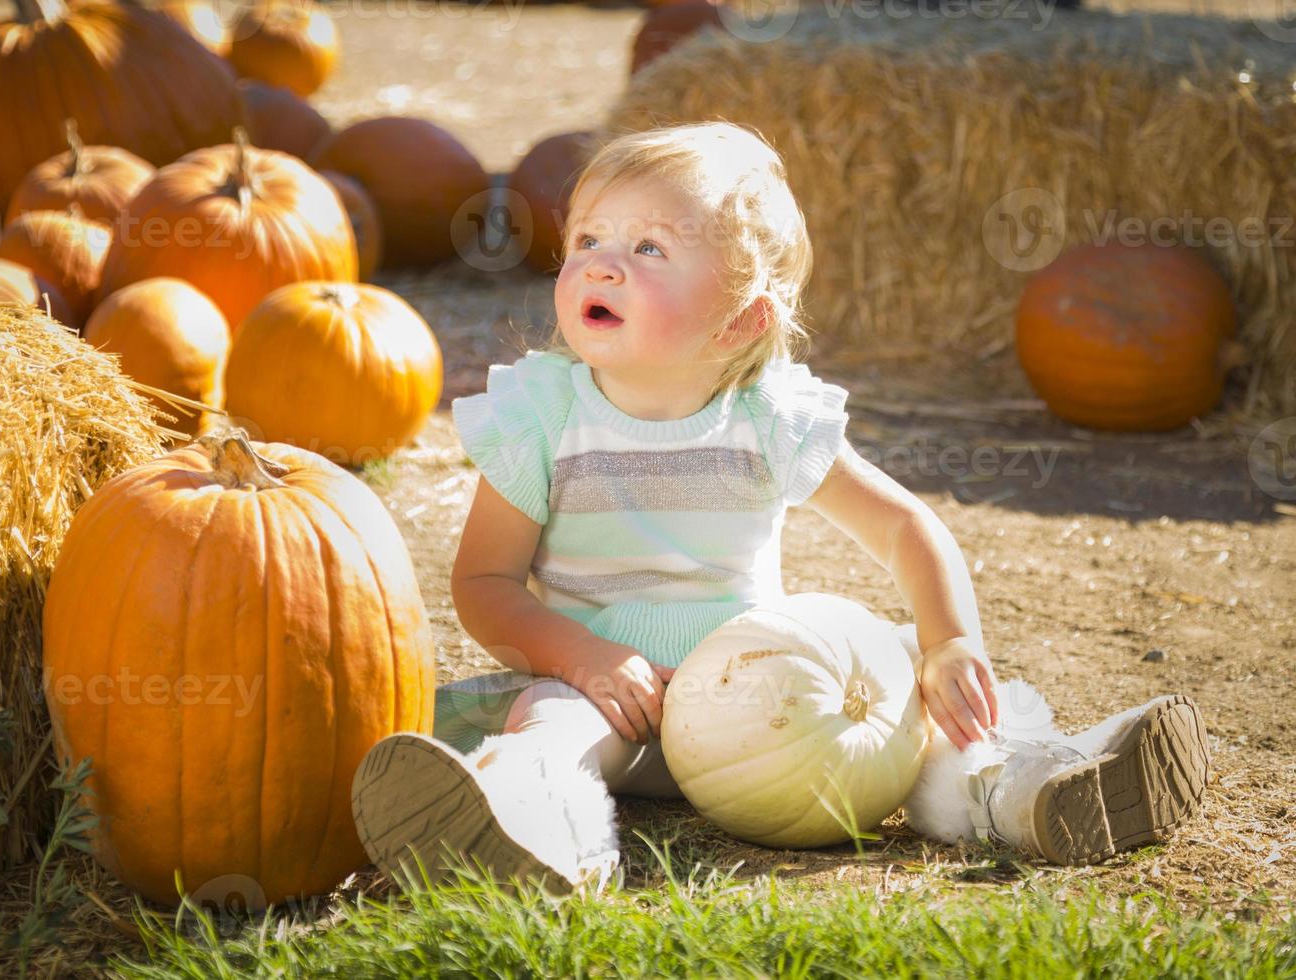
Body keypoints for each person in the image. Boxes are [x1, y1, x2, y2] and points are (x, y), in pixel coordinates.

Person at [349, 122, 1210, 893]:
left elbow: (906, 529)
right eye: (588, 237)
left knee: (913, 717)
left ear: (737, 322)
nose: (602, 262)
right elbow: (484, 582)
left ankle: (1037, 791)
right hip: (613, 711)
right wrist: (582, 657)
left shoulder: (768, 418)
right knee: (549, 724)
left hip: (771, 708)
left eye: (650, 247)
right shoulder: (542, 415)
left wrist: (951, 643)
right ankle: (536, 829)